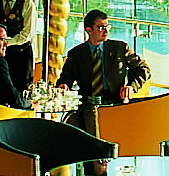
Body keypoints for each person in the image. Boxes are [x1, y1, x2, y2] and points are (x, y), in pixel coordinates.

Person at [57, 9, 150, 137]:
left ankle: (98, 154)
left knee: (92, 118)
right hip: (87, 102)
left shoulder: (120, 48)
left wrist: (131, 87)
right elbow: (65, 79)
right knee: (70, 121)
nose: (106, 31)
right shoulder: (76, 54)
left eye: (107, 26)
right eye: (101, 28)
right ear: (89, 30)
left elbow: (144, 69)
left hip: (114, 101)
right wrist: (63, 86)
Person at [0, 0, 35, 96]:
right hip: (3, 55)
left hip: (22, 55)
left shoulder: (27, 4)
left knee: (23, 91)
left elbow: (27, 34)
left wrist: (6, 42)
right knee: (3, 89)